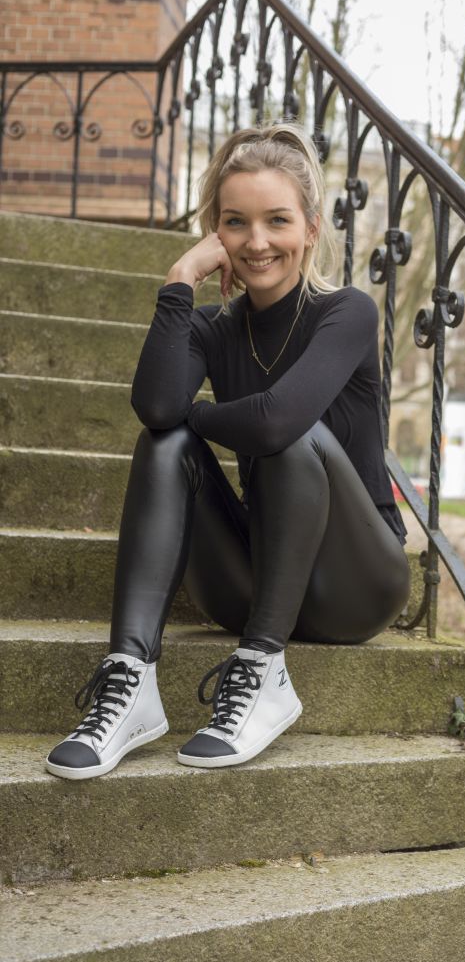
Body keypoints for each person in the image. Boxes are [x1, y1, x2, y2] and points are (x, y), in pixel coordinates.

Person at [45, 123, 411, 781]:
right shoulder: (213, 327)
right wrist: (180, 280)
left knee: (291, 434)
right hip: (254, 576)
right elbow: (158, 411)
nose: (257, 241)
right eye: (236, 222)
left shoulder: (346, 313)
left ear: (309, 226)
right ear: (216, 231)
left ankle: (264, 669)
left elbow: (277, 424)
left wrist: (204, 412)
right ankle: (129, 677)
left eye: (276, 220)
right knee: (167, 443)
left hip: (356, 583)